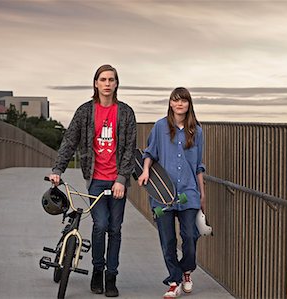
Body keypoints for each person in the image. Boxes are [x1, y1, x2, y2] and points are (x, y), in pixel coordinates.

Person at [49, 64, 137, 297]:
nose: (107, 84)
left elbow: (130, 148)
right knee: (100, 225)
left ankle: (112, 276)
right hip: (96, 179)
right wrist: (58, 169)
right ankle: (98, 271)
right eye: (103, 79)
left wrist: (121, 178)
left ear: (116, 84)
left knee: (115, 229)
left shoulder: (126, 113)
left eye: (111, 80)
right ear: (96, 83)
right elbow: (69, 141)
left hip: (118, 181)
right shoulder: (85, 112)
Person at [137, 87, 205, 298]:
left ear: (188, 104)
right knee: (167, 239)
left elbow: (198, 166)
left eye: (183, 101)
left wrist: (202, 194)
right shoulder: (159, 127)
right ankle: (174, 281)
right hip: (162, 193)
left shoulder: (197, 131)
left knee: (190, 237)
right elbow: (149, 153)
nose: (179, 104)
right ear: (170, 103)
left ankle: (186, 270)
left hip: (189, 192)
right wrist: (146, 170)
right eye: (175, 100)